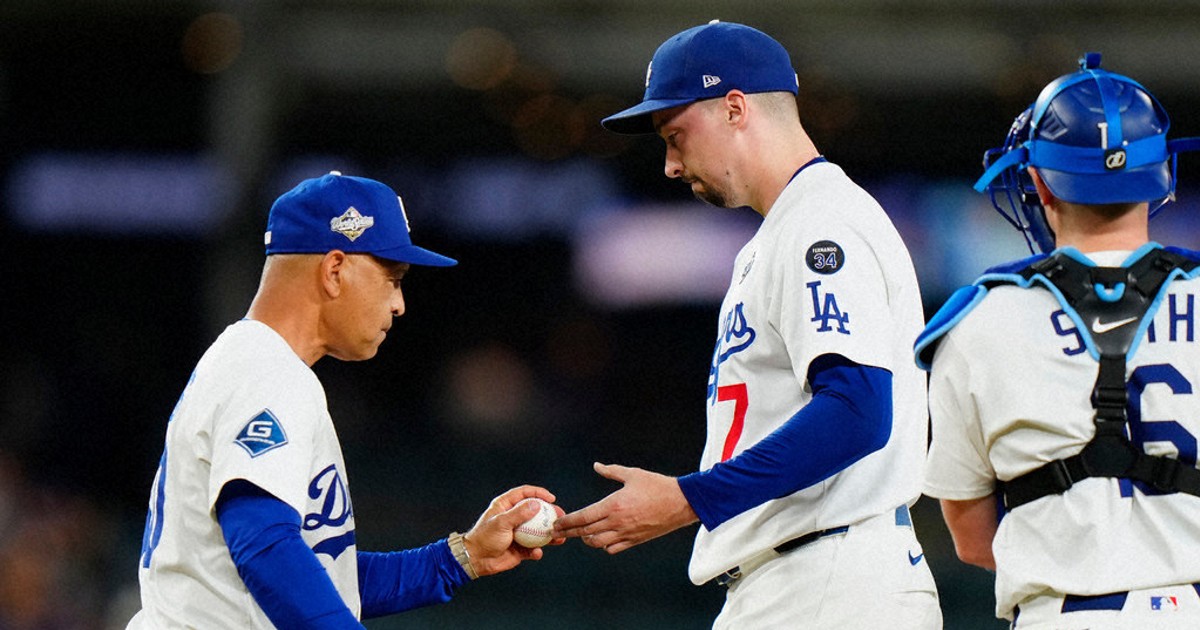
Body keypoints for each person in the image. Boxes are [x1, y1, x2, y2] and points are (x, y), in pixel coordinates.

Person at [553, 20, 941, 628]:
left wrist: (688, 499)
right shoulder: (785, 229)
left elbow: (858, 410)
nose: (670, 166)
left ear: (735, 108)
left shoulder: (822, 223)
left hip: (830, 577)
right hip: (800, 578)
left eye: (676, 135)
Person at [127, 171, 563, 628]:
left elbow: (320, 574)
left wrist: (462, 556)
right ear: (335, 270)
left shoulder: (251, 362)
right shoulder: (267, 371)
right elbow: (262, 543)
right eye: (392, 278)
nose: (399, 304)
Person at [917, 52, 1200, 629]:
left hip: (1066, 615)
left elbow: (972, 540)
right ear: (1163, 174)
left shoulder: (978, 321)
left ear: (1039, 182)